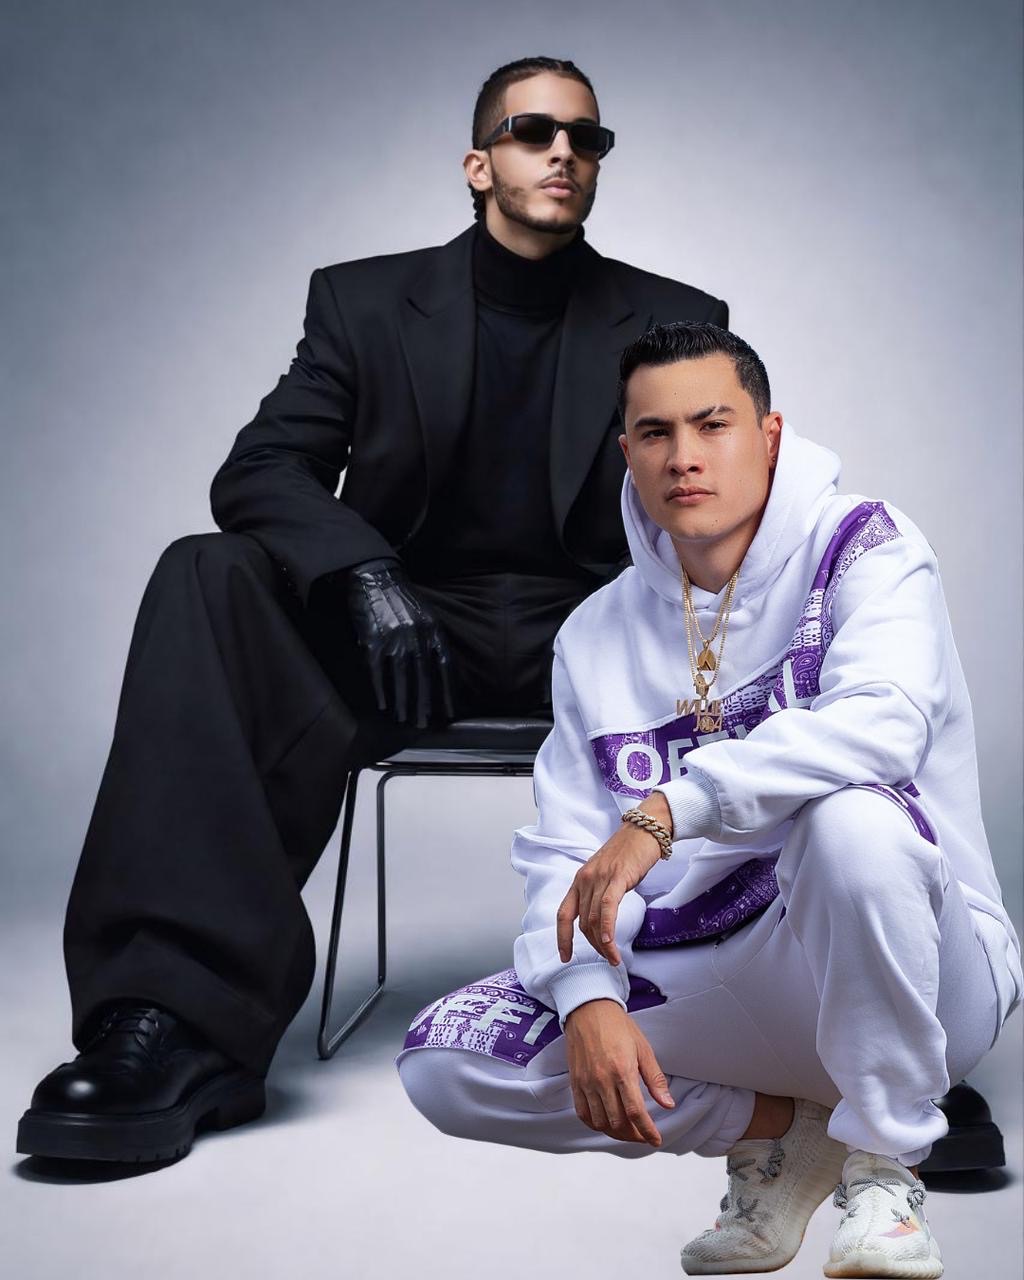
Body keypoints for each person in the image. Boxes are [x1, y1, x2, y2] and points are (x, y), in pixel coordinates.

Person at [16, 57, 730, 1166]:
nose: (563, 153)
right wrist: (363, 573)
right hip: (405, 641)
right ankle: (174, 1021)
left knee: (810, 595)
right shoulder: (363, 302)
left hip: (604, 641)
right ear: (477, 163)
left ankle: (872, 1029)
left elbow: (730, 494)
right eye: (533, 131)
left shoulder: (675, 319)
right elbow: (263, 468)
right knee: (207, 573)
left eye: (586, 139)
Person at [396, 322, 1023, 1277]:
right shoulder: (594, 633)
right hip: (712, 966)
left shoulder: (864, 546)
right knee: (448, 1061)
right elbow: (564, 848)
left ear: (769, 435)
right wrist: (585, 993)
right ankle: (784, 1132)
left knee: (851, 821)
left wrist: (668, 811)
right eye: (655, 433)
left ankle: (885, 1164)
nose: (683, 456)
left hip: (919, 969)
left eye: (712, 424)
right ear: (628, 452)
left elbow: (885, 725)